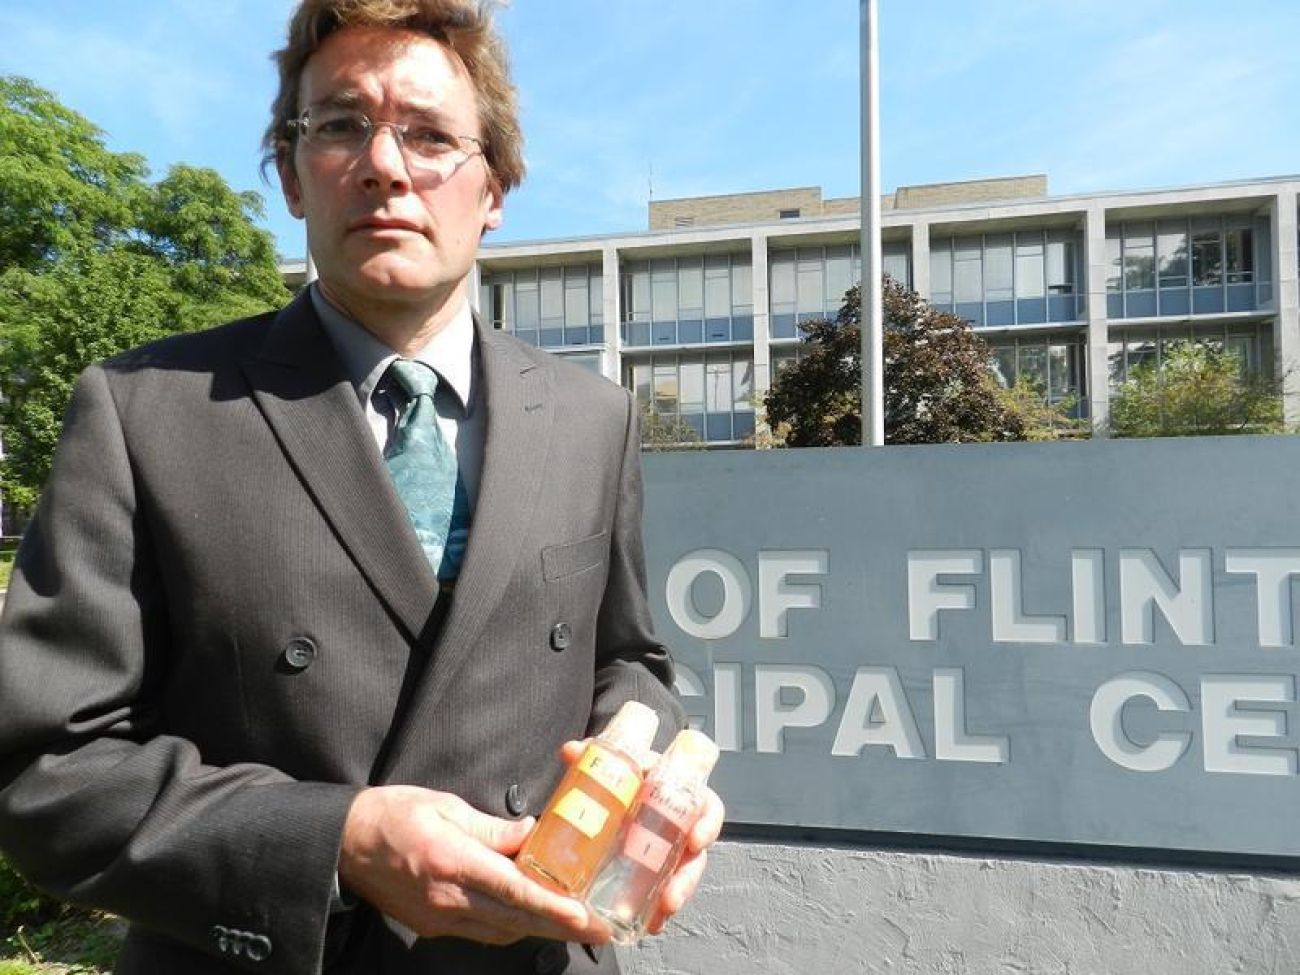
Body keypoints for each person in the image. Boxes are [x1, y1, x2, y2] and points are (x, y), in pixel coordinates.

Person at [0, 1, 722, 972]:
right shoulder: (145, 412)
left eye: (428, 134)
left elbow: (627, 663)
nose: (386, 165)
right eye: (339, 125)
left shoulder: (594, 419)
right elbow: (45, 772)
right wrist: (333, 842)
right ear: (294, 176)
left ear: (495, 184)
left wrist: (647, 773)